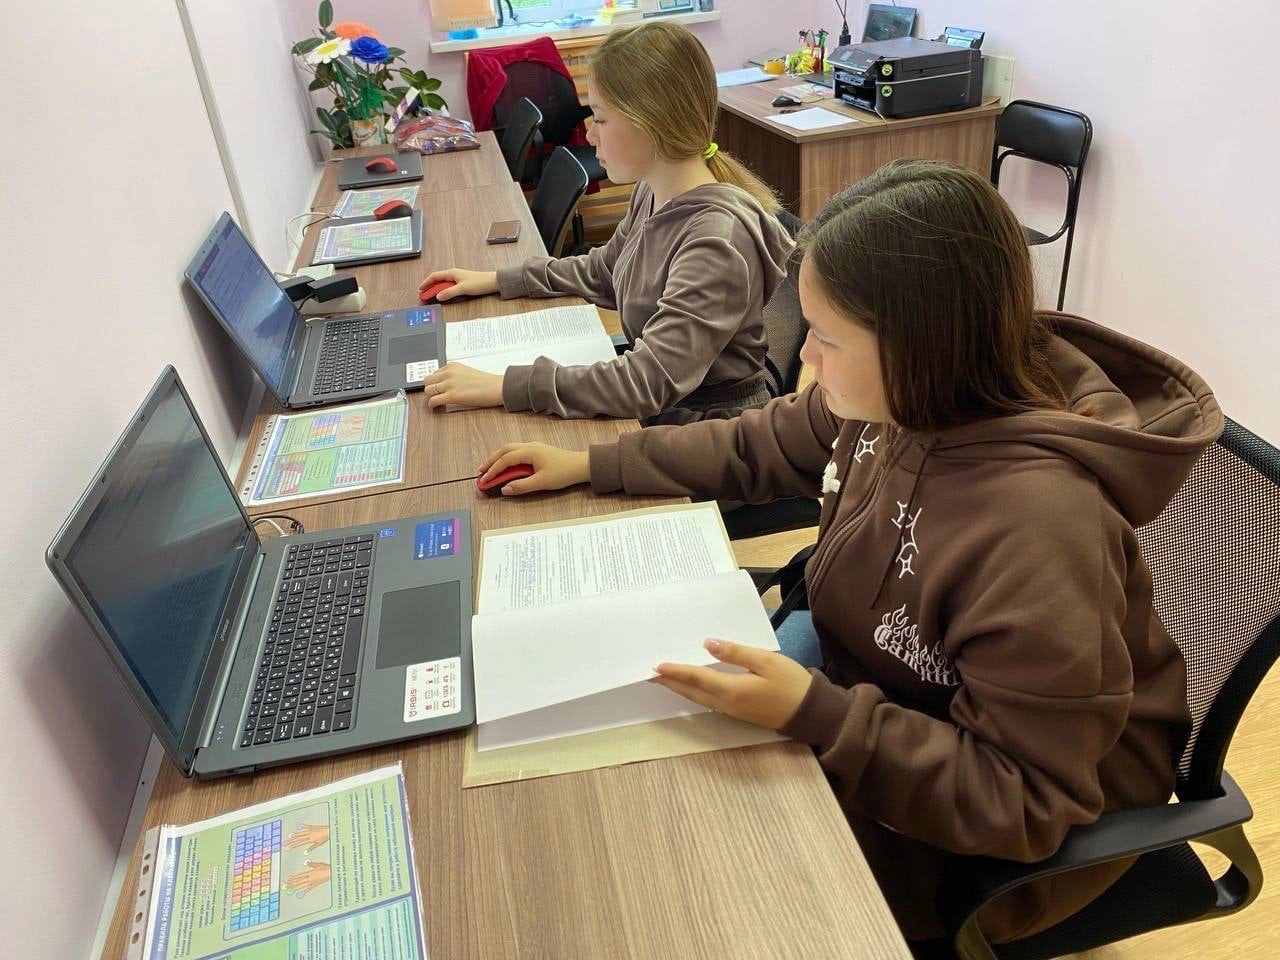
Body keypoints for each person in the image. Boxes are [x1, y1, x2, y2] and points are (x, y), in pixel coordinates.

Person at [472, 159, 1224, 946]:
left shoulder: (1040, 531)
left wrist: (816, 714)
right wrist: (596, 463)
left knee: (686, 891)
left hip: (995, 842)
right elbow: (757, 443)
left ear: (920, 345)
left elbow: (1024, 801)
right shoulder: (899, 399)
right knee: (643, 793)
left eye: (825, 340)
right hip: (875, 704)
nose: (805, 363)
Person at [418, 20, 793, 423]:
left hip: (707, 428)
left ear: (652, 122)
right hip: (668, 407)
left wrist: (504, 386)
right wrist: (496, 279)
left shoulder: (716, 240)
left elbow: (647, 382)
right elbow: (604, 271)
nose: (590, 135)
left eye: (599, 118)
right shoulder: (653, 191)